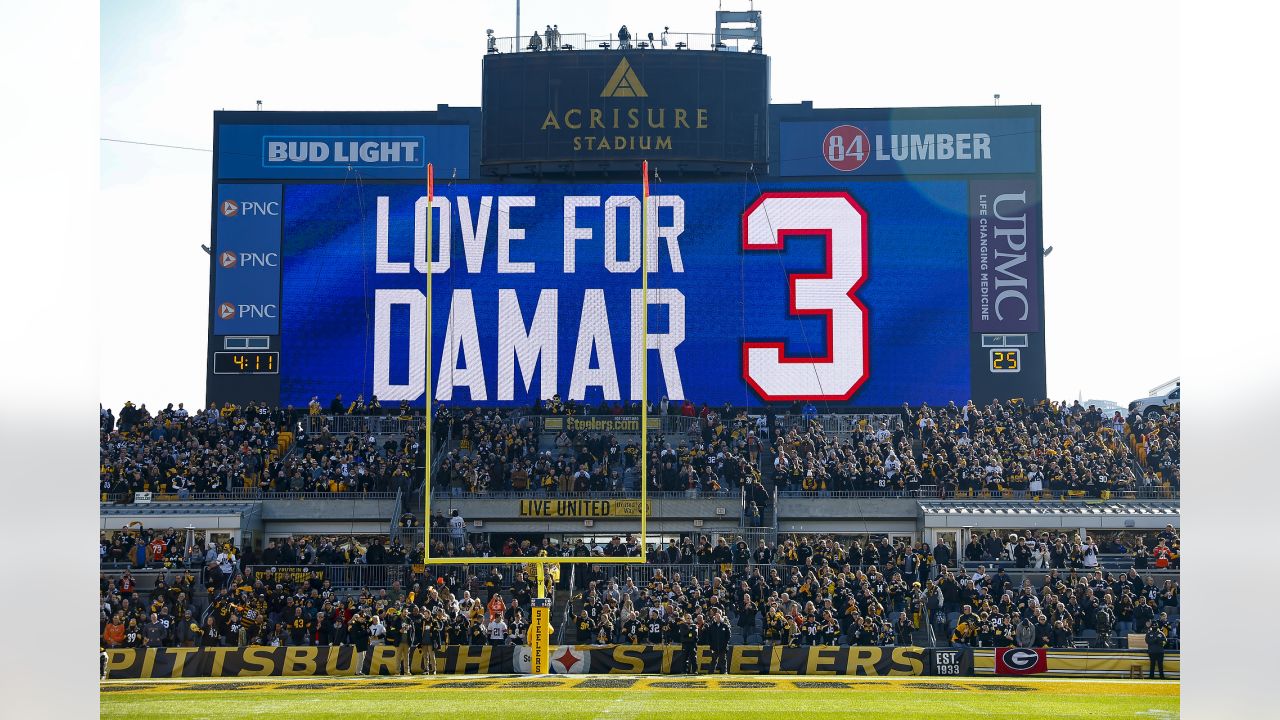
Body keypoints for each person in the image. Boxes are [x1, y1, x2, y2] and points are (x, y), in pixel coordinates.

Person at [705, 609, 732, 674]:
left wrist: (725, 644)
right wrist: (711, 646)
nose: (718, 618)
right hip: (714, 647)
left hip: (723, 647)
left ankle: (724, 672)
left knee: (723, 660)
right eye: (716, 617)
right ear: (714, 618)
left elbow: (728, 636)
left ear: (721, 618)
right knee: (713, 660)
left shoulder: (725, 626)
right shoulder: (711, 627)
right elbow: (709, 637)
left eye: (719, 617)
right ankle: (711, 672)